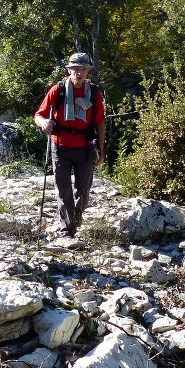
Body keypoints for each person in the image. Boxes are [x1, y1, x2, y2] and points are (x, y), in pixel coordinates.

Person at [33, 53, 106, 238]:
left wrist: (102, 151)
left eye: (82, 69)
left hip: (85, 147)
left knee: (83, 190)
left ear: (88, 71)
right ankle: (67, 229)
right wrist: (44, 123)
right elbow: (38, 115)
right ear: (68, 70)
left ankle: (75, 219)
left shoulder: (95, 92)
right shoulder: (58, 90)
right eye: (75, 69)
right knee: (63, 189)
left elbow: (100, 123)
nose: (78, 73)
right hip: (60, 146)